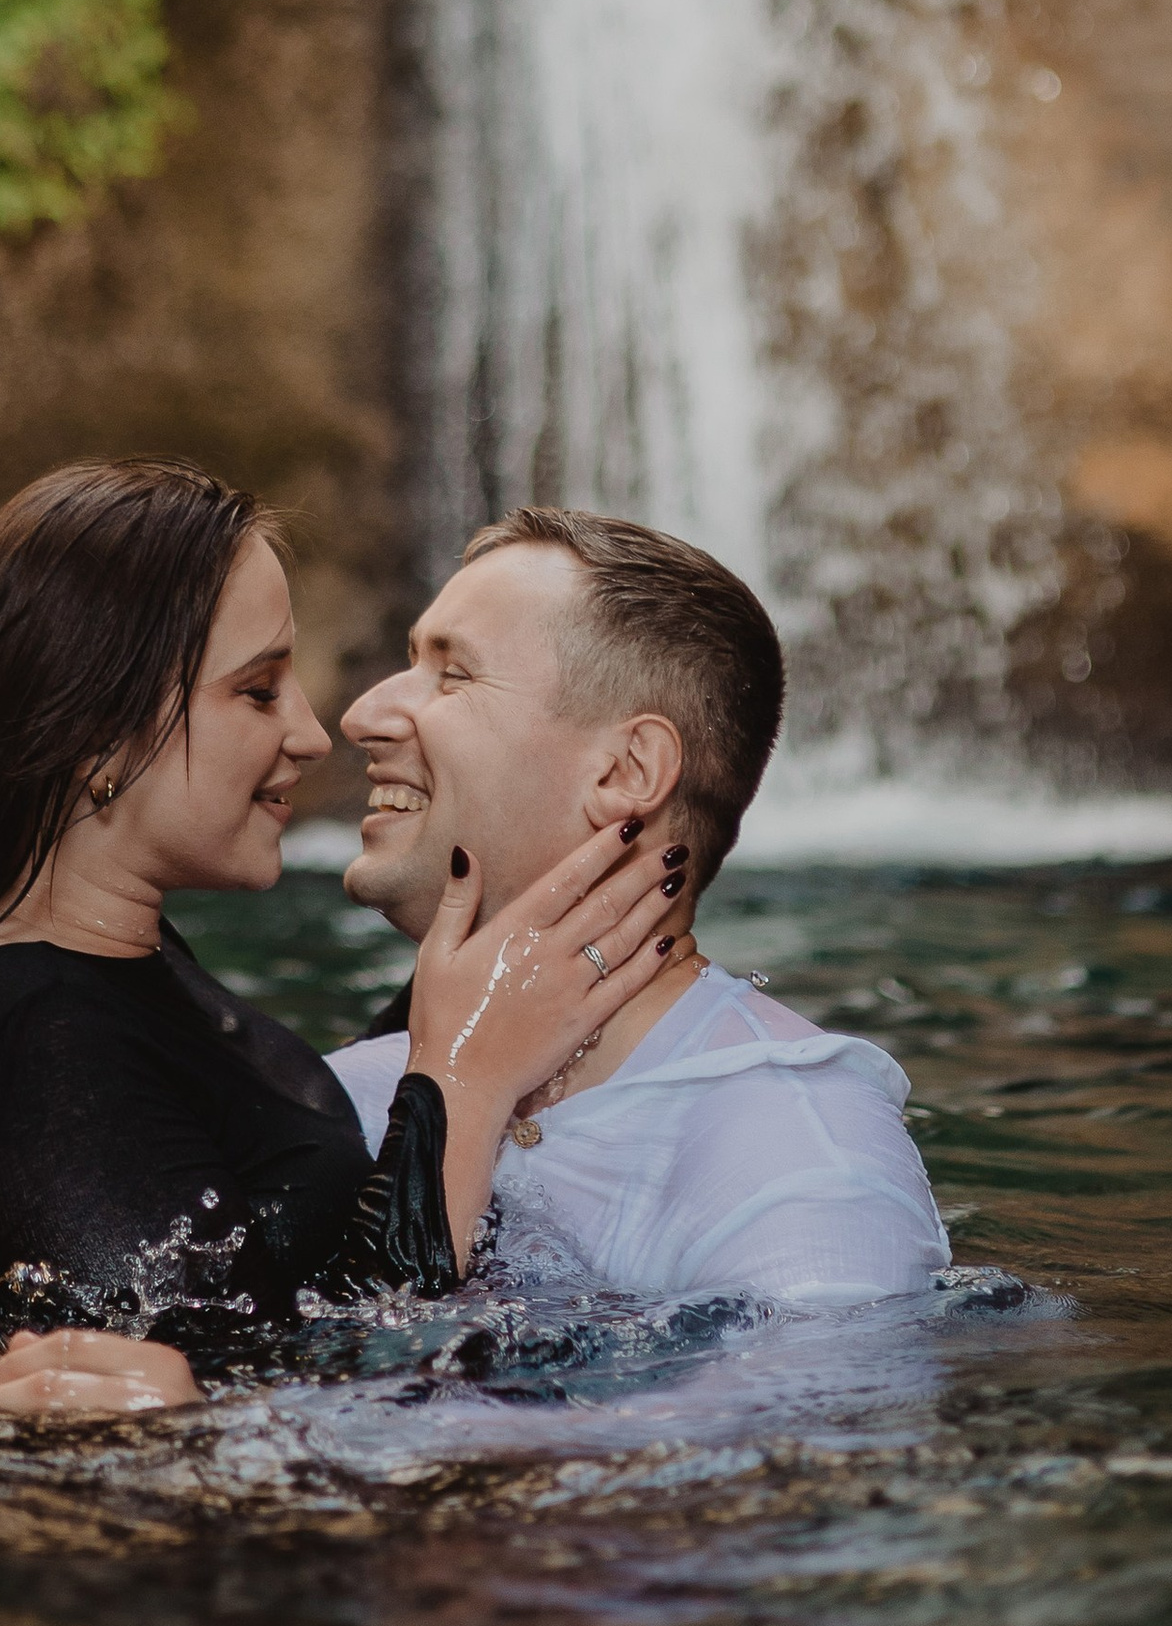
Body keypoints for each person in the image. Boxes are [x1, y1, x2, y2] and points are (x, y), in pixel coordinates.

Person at [0, 458, 686, 1416]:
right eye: (258, 691)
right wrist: (463, 1085)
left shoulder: (99, 971)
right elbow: (308, 1401)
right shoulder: (31, 1030)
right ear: (100, 732)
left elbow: (237, 1170)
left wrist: (528, 896)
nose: (312, 733)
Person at [331, 505, 949, 1304]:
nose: (362, 716)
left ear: (628, 770)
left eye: (453, 674)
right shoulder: (343, 1095)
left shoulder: (801, 1164)